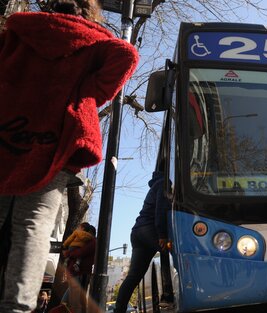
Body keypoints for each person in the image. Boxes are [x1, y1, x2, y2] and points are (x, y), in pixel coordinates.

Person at [0, 1, 139, 311]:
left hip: (9, 134)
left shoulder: (19, 31)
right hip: (55, 144)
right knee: (32, 226)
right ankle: (17, 306)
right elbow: (127, 54)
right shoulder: (91, 41)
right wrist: (87, 93)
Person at [114, 164, 173, 313]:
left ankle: (118, 310)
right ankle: (168, 294)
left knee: (134, 276)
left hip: (137, 232)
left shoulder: (155, 185)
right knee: (170, 253)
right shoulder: (164, 184)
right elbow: (161, 209)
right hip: (150, 229)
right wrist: (162, 235)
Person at [63, 223, 96, 313]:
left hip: (79, 273)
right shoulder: (86, 241)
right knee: (69, 301)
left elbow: (81, 252)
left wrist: (68, 254)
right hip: (76, 273)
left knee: (74, 302)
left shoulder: (92, 242)